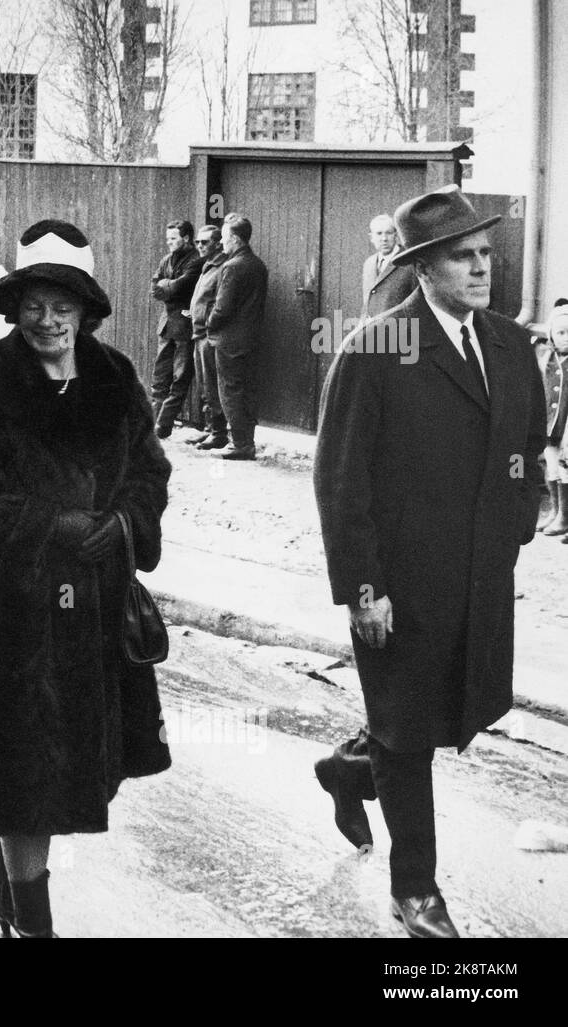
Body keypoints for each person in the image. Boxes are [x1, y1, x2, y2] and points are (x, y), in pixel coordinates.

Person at [0, 219, 172, 938]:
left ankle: (12, 889)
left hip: (90, 611)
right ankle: (33, 918)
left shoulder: (115, 377)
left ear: (86, 310)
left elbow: (150, 470)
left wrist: (124, 523)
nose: (48, 318)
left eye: (63, 305)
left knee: (75, 773)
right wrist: (54, 527)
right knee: (23, 779)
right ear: (15, 308)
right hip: (6, 618)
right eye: (34, 303)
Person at [313, 186, 545, 939]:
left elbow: (525, 445)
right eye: (462, 256)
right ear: (421, 268)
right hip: (399, 584)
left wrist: (514, 527)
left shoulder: (511, 344)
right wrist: (364, 588)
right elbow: (341, 477)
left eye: (486, 254)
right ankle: (415, 890)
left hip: (480, 575)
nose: (481, 268)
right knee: (410, 731)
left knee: (445, 709)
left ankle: (351, 767)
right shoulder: (378, 345)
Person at [205, 213, 268, 460]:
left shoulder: (231, 267)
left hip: (229, 341)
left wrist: (209, 324)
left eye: (224, 237)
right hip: (249, 339)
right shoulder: (257, 264)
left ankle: (240, 444)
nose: (221, 242)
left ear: (235, 239)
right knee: (246, 390)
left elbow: (222, 308)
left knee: (230, 390)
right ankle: (246, 441)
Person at [149, 219, 205, 439]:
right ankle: (154, 422)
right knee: (160, 376)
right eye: (167, 239)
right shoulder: (167, 260)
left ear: (186, 238)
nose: (169, 243)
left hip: (184, 325)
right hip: (167, 324)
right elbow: (155, 287)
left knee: (180, 377)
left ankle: (163, 425)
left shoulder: (196, 261)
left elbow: (181, 285)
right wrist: (166, 286)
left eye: (173, 239)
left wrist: (168, 285)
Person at [185, 225, 230, 448]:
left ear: (218, 243)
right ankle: (211, 428)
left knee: (212, 384)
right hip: (199, 332)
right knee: (204, 384)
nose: (200, 246)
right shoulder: (207, 266)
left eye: (205, 242)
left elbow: (221, 303)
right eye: (197, 243)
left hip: (208, 334)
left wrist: (208, 322)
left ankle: (219, 432)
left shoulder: (222, 267)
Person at [536, 300, 568, 536]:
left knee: (566, 469)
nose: (566, 337)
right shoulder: (546, 358)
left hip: (566, 427)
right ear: (551, 335)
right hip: (550, 425)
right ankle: (555, 512)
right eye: (561, 332)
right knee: (552, 467)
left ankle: (565, 517)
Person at [362, 213, 416, 320]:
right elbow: (367, 302)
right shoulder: (369, 263)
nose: (384, 238)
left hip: (401, 331)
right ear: (371, 237)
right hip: (373, 331)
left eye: (388, 233)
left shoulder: (408, 261)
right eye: (379, 233)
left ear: (396, 235)